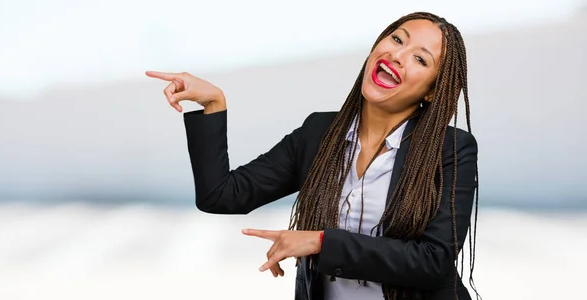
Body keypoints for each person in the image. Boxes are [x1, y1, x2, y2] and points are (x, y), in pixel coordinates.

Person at [146, 11, 480, 300]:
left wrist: (320, 242)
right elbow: (220, 195)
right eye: (396, 39)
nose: (398, 55)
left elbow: (433, 262)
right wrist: (213, 104)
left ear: (433, 91)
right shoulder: (320, 132)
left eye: (420, 59)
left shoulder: (450, 150)